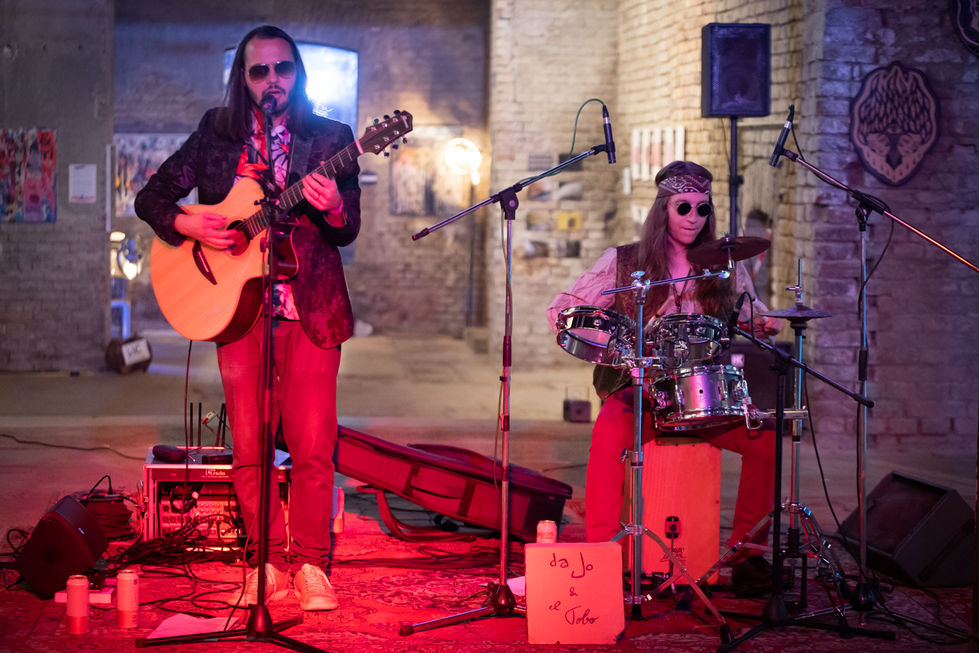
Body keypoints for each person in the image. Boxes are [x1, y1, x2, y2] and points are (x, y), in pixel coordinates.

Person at [135, 25, 360, 611]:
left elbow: (347, 227)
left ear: (297, 75)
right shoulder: (217, 133)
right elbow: (152, 197)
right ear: (244, 79)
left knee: (313, 448)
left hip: (310, 311)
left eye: (283, 69)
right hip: (237, 313)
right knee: (250, 449)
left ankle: (310, 564)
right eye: (259, 72)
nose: (272, 81)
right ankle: (261, 563)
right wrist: (189, 224)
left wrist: (334, 206)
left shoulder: (332, 139)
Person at [546, 160, 780, 595]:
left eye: (702, 209)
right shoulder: (624, 261)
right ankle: (602, 555)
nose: (693, 218)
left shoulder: (724, 266)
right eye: (683, 207)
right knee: (605, 445)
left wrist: (765, 323)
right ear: (663, 209)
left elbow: (751, 315)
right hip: (641, 394)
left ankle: (748, 557)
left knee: (764, 440)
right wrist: (611, 343)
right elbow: (562, 308)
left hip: (703, 397)